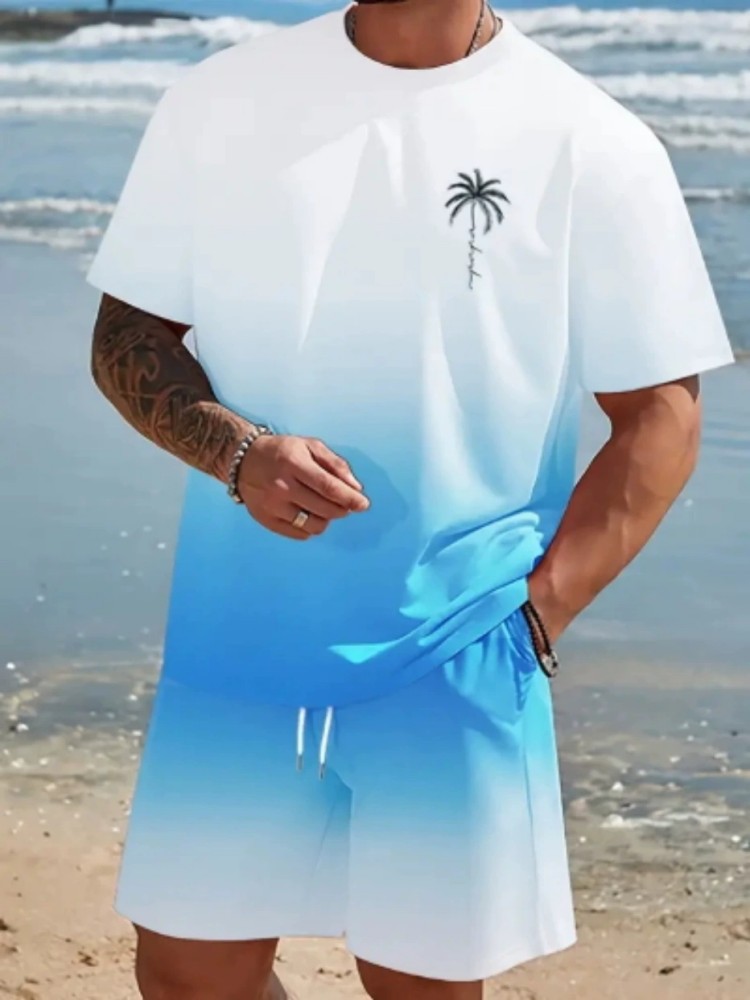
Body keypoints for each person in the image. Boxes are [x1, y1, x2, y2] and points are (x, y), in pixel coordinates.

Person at [86, 1, 735, 997]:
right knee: (188, 973)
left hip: (460, 649)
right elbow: (127, 335)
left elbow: (661, 418)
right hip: (241, 632)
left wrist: (538, 617)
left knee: (420, 984)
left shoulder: (591, 138)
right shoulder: (219, 101)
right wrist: (238, 452)